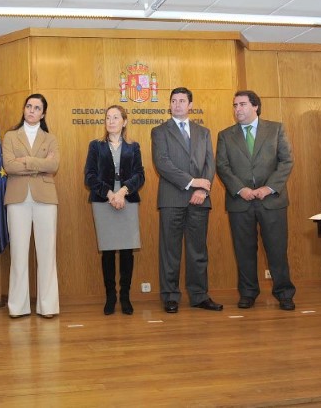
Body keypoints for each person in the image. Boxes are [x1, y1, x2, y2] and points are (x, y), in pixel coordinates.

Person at [216, 90, 296, 310]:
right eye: (234, 105)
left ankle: (284, 293)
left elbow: (286, 161)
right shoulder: (225, 135)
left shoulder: (276, 129)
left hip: (272, 201)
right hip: (240, 202)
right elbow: (222, 166)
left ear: (255, 107)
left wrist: (268, 188)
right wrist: (240, 189)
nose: (237, 109)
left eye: (242, 104)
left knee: (277, 250)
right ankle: (248, 293)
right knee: (243, 251)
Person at [151, 87, 223, 313]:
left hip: (200, 199)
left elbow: (210, 164)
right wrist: (193, 182)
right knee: (170, 251)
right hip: (172, 198)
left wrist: (203, 189)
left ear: (190, 105)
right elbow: (162, 163)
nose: (178, 104)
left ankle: (199, 295)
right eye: (174, 101)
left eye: (182, 101)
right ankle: (170, 297)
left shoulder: (203, 132)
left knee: (197, 250)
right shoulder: (159, 131)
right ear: (169, 104)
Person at [2, 93, 60, 319]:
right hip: (17, 198)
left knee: (47, 253)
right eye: (29, 106)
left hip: (45, 197)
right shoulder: (10, 136)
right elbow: (8, 166)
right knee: (18, 253)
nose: (32, 110)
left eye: (37, 108)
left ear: (43, 113)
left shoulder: (50, 138)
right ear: (24, 109)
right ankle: (18, 306)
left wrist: (24, 161)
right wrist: (39, 164)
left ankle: (48, 306)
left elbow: (54, 165)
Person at [84, 105, 145, 315]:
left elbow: (140, 175)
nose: (111, 121)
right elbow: (90, 176)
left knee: (127, 250)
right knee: (108, 250)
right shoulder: (96, 146)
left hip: (127, 199)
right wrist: (110, 194)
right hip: (103, 200)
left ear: (124, 121)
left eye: (116, 117)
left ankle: (125, 297)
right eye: (108, 117)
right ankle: (111, 297)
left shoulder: (133, 147)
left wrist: (123, 192)